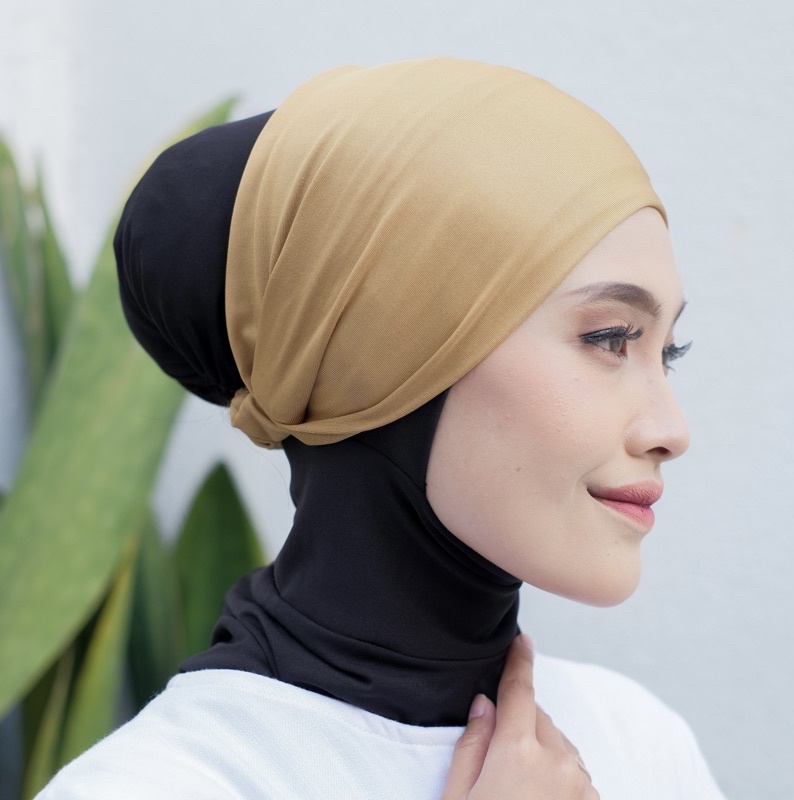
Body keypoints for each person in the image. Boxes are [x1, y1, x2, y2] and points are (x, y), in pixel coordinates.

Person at [37, 58, 725, 798]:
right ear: (387, 353)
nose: (671, 428)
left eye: (668, 352)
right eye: (610, 338)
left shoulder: (638, 740)